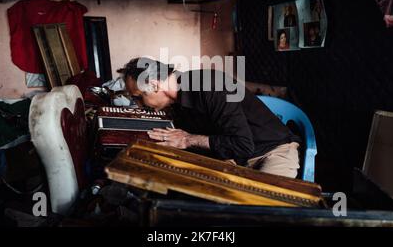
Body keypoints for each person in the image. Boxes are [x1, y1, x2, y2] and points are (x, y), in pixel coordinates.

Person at [117, 57, 301, 178]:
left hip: (272, 151)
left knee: (262, 210)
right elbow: (208, 143)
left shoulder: (210, 86)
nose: (139, 104)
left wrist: (188, 139)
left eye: (139, 97)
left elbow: (243, 145)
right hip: (236, 158)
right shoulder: (177, 103)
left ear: (156, 85)